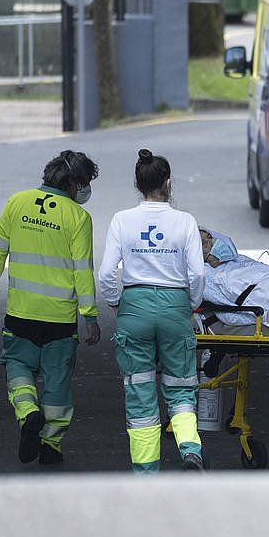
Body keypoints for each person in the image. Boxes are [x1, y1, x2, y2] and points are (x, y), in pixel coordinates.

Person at [0, 150, 101, 465]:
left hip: (20, 313)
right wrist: (90, 316)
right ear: (73, 181)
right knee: (57, 381)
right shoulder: (77, 218)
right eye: (84, 182)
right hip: (60, 319)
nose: (85, 189)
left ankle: (28, 413)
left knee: (18, 368)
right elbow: (82, 272)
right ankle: (51, 445)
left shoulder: (16, 202)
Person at [98, 149, 207, 474]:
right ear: (168, 183)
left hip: (135, 308)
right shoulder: (185, 221)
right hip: (175, 309)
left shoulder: (122, 220)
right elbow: (198, 274)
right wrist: (189, 305)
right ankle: (190, 449)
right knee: (181, 386)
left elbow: (105, 273)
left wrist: (117, 302)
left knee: (140, 392)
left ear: (138, 183)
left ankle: (146, 473)